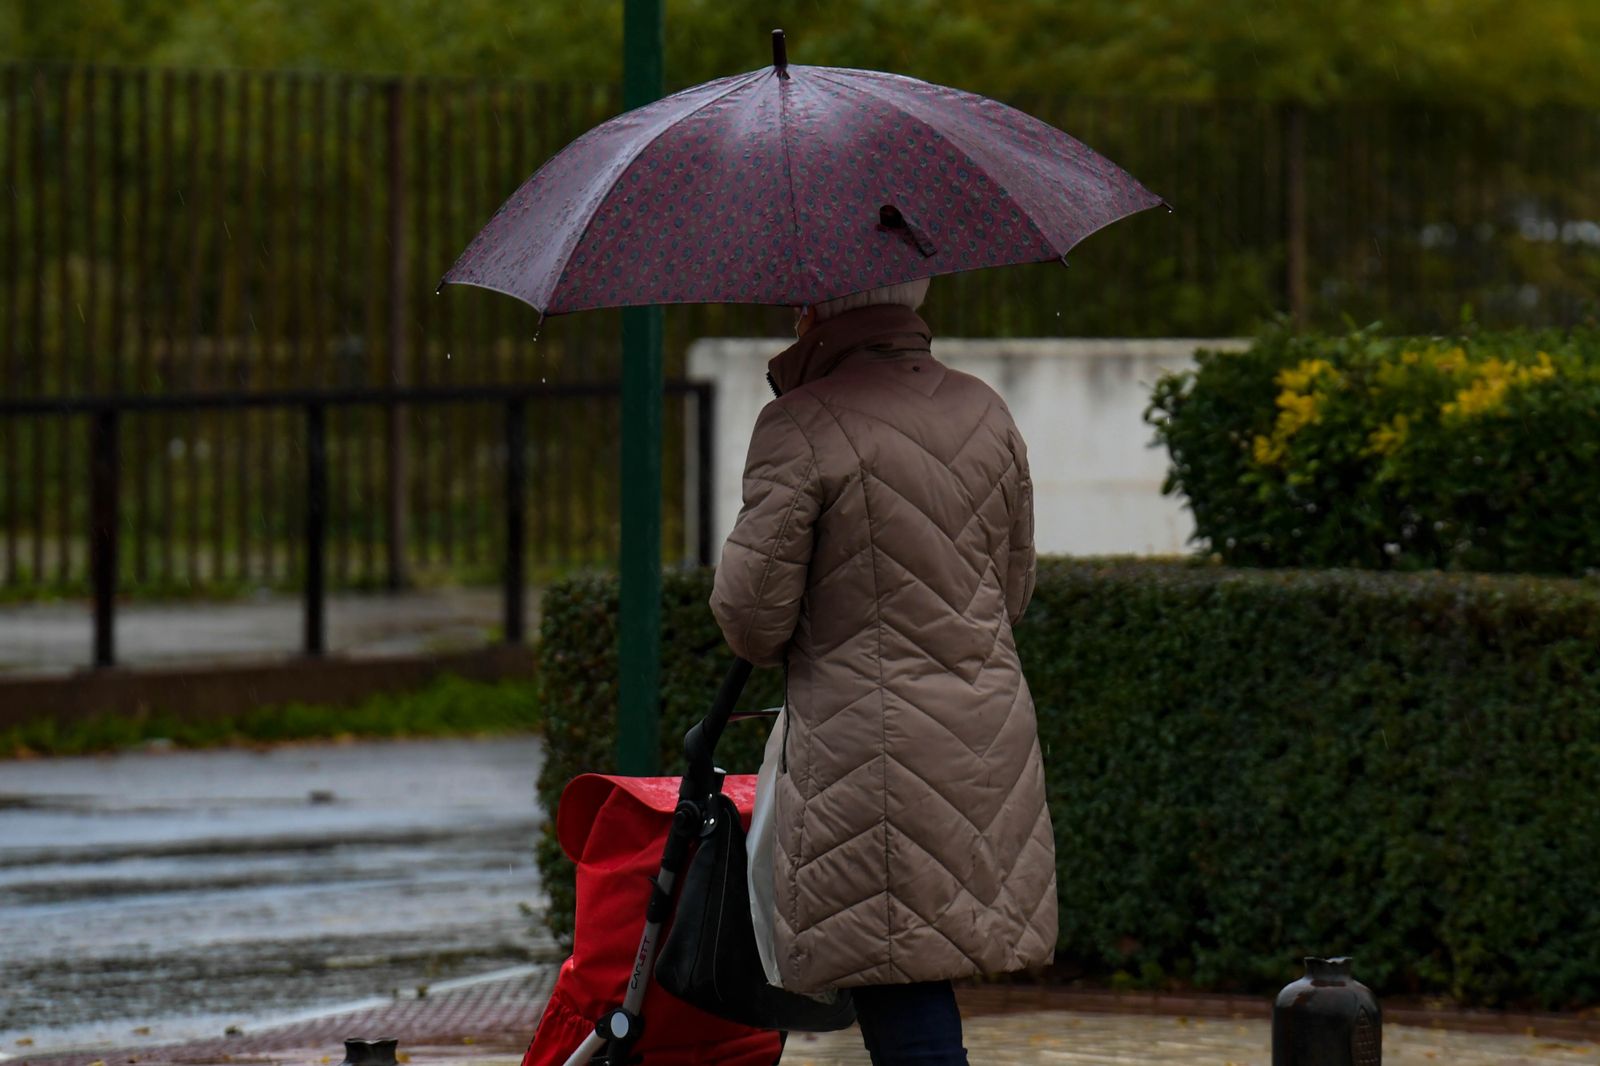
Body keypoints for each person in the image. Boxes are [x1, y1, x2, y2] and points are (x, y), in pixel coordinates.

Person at [710, 278, 1055, 1066]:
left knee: (897, 968)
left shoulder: (800, 424)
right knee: (916, 965)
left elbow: (752, 621)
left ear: (818, 309)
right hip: (985, 734)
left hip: (871, 743)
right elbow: (1014, 589)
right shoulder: (986, 410)